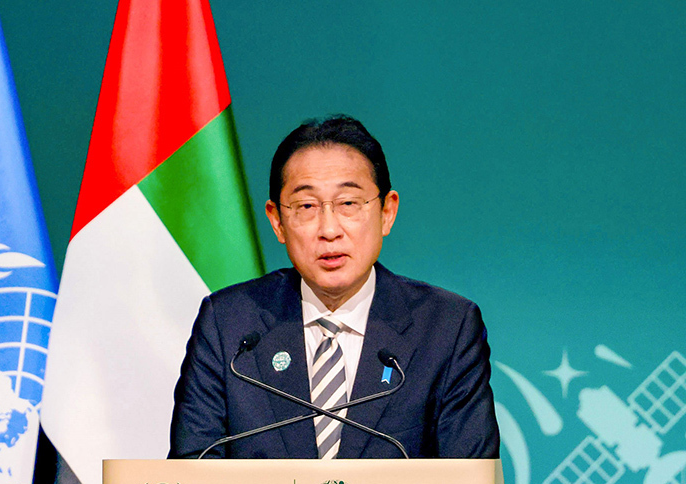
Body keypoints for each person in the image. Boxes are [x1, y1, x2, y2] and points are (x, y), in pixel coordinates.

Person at [169, 115, 499, 460]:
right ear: (277, 221)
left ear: (387, 211)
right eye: (307, 206)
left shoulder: (446, 327)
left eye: (348, 204)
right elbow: (192, 478)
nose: (329, 229)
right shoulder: (229, 324)